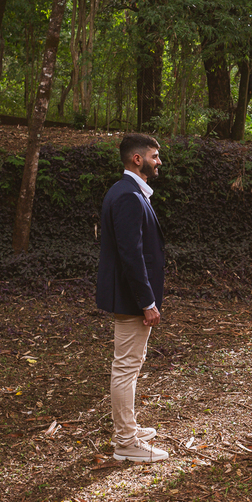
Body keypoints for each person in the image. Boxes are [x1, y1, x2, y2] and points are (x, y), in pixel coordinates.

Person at [96, 134, 169, 463]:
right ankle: (126, 442)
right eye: (155, 156)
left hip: (130, 296)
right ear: (137, 159)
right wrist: (147, 301)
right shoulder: (127, 195)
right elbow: (131, 255)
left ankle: (129, 428)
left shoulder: (126, 190)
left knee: (130, 364)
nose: (159, 162)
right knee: (126, 367)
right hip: (131, 298)